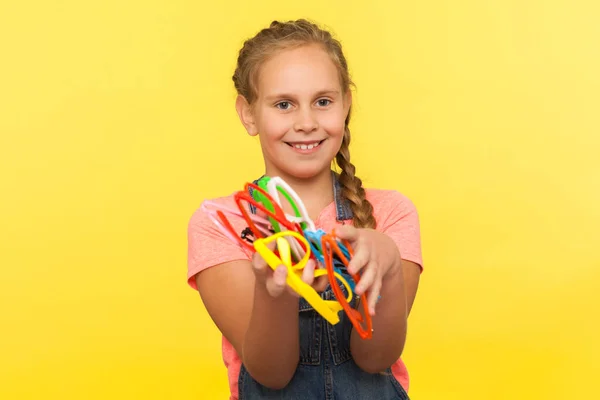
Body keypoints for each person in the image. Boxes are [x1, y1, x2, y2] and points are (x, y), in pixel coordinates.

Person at [187, 19, 423, 400]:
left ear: (346, 105)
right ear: (248, 114)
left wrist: (390, 270)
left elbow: (376, 358)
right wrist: (276, 294)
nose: (307, 122)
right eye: (284, 104)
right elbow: (272, 374)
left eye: (323, 102)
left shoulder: (391, 213)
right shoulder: (221, 224)